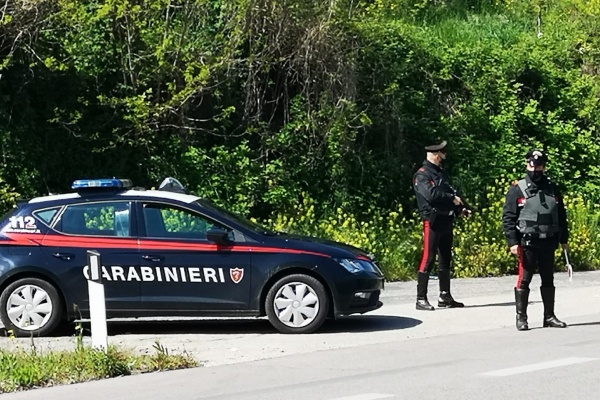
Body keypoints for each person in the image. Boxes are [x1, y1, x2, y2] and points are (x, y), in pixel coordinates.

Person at [502, 149, 569, 331]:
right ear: (527, 164)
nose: (535, 168)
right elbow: (508, 217)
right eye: (532, 164)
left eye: (539, 165)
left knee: (548, 279)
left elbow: (561, 215)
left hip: (548, 241)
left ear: (544, 167)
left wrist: (564, 238)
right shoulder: (518, 188)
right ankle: (521, 318)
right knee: (524, 279)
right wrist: (512, 242)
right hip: (527, 242)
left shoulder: (552, 188)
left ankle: (549, 316)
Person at [413, 140, 471, 311]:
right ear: (436, 155)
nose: (444, 157)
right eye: (442, 154)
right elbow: (431, 195)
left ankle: (445, 295)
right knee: (428, 258)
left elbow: (451, 192)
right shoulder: (422, 175)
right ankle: (420, 298)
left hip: (447, 220)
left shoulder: (441, 173)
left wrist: (461, 208)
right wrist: (451, 199)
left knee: (445, 259)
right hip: (432, 222)